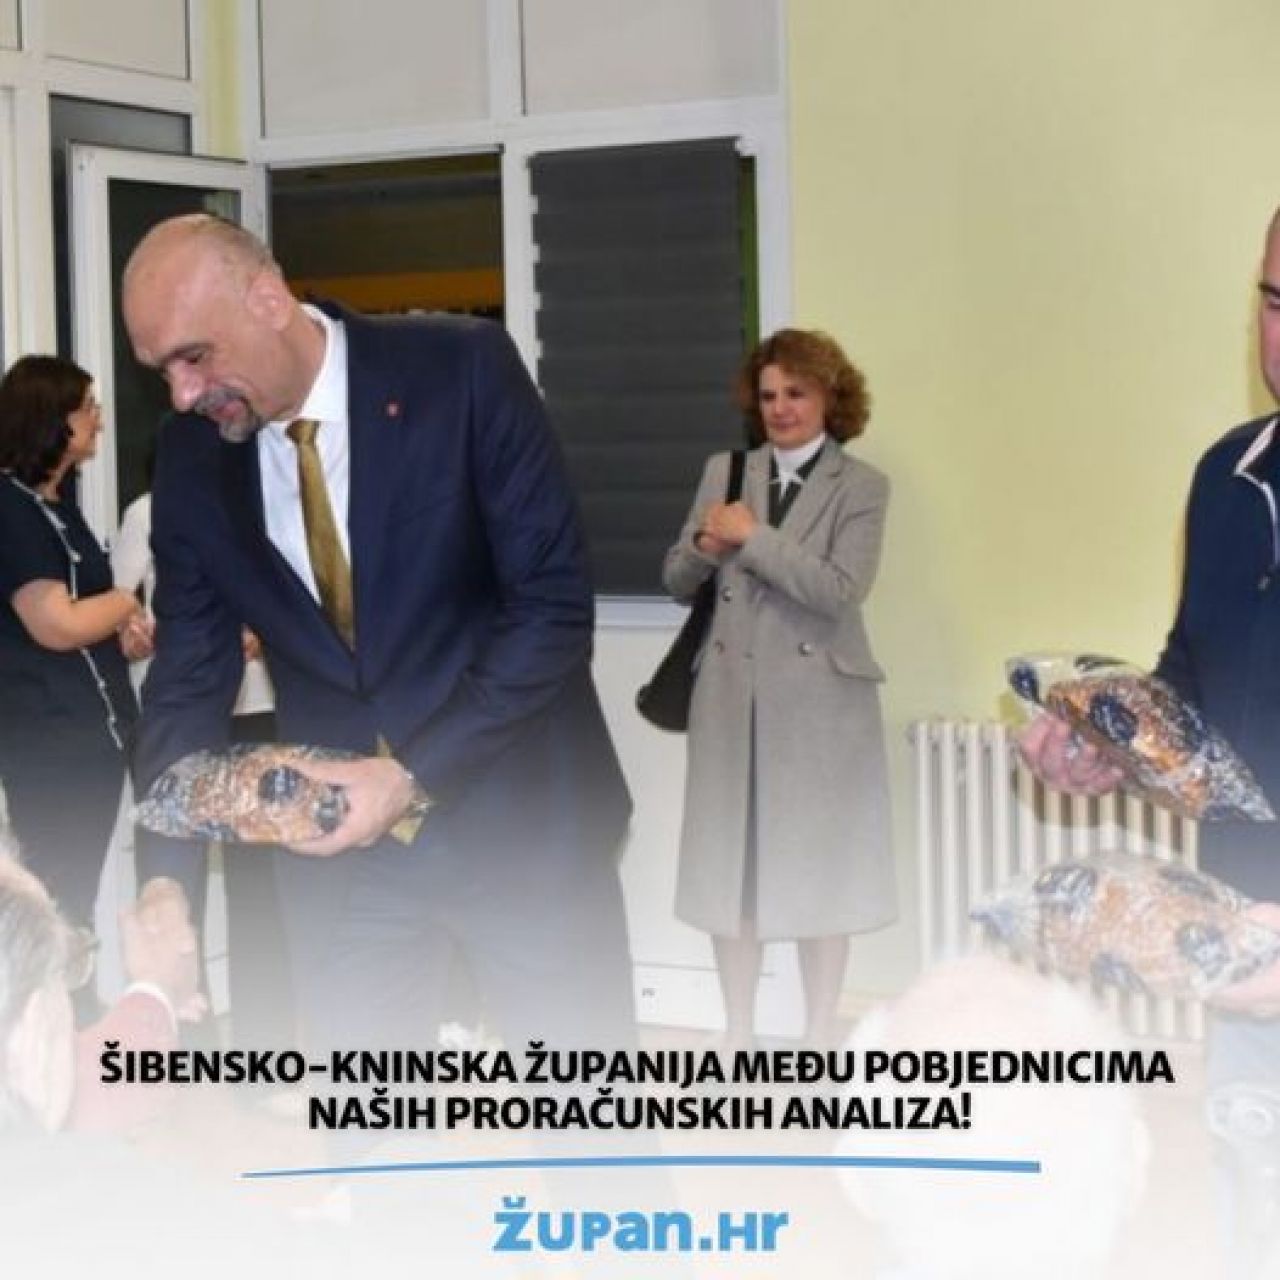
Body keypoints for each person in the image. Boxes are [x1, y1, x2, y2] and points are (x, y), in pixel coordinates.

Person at [119, 214, 634, 1066]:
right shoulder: (190, 458)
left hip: (520, 823)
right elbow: (187, 678)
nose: (181, 394)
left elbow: (550, 610)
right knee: (371, 1128)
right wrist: (166, 883)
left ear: (267, 298)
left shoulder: (461, 370)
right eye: (162, 371)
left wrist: (408, 776)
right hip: (342, 865)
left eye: (195, 357)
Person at [1019, 206, 1280, 1278]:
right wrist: (1111, 742)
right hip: (1244, 939)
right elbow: (1192, 679)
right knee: (1250, 1210)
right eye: (1276, 302)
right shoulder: (1226, 477)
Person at [662, 328, 896, 1048]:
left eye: (796, 392)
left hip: (822, 709)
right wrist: (706, 546)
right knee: (731, 878)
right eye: (768, 396)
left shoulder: (863, 486)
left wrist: (753, 538)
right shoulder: (725, 472)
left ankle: (820, 1036)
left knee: (819, 878)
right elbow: (676, 579)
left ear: (830, 397)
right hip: (732, 701)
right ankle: (738, 1036)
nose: (781, 408)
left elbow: (840, 590)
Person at [113, 477, 295, 1053]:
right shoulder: (148, 512)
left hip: (260, 714)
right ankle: (193, 1046)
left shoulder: (268, 502)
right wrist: (135, 633)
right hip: (184, 721)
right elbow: (120, 606)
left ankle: (264, 1049)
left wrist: (266, 635)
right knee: (177, 890)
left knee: (260, 887)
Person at [0, 356, 149, 942]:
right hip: (51, 744)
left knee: (75, 903)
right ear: (51, 418)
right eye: (87, 408)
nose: (99, 419)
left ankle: (72, 992)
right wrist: (127, 601)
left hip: (94, 737)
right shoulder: (10, 507)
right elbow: (58, 625)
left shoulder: (58, 504)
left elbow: (85, 617)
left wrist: (120, 632)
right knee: (56, 905)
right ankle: (54, 998)